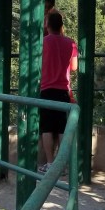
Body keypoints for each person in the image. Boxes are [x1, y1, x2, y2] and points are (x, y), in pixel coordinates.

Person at [38, 10, 78, 173]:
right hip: (63, 90)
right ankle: (62, 166)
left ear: (47, 25)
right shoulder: (71, 43)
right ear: (61, 25)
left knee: (47, 128)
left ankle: (50, 163)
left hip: (46, 89)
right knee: (62, 128)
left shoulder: (43, 43)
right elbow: (74, 67)